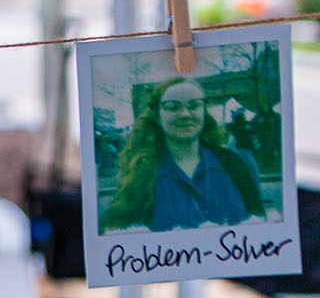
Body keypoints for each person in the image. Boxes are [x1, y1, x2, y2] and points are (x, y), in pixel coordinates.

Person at [104, 76, 267, 233]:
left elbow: (260, 227)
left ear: (203, 112)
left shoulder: (234, 163)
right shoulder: (139, 175)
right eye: (173, 107)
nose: (185, 114)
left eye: (194, 105)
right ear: (158, 118)